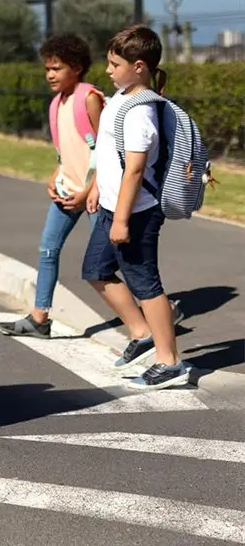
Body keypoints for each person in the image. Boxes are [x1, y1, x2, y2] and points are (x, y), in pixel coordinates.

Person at [81, 24, 189, 389]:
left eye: (115, 64)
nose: (108, 70)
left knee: (146, 284)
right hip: (112, 206)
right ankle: (143, 333)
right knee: (96, 269)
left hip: (137, 212)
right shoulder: (120, 99)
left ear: (139, 66)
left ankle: (169, 360)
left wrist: (122, 220)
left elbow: (136, 169)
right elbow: (108, 154)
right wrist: (97, 185)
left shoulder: (140, 110)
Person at [0, 34, 103, 338]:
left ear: (78, 67)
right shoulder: (57, 103)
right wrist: (55, 175)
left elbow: (107, 150)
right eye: (47, 69)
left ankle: (155, 312)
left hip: (95, 193)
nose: (50, 75)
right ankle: (39, 318)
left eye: (56, 68)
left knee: (115, 259)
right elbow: (67, 150)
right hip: (67, 190)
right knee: (48, 250)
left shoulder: (90, 97)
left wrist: (90, 190)